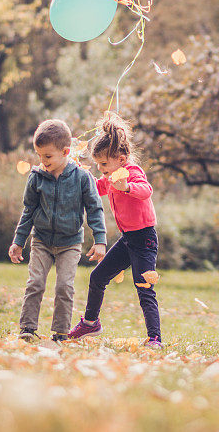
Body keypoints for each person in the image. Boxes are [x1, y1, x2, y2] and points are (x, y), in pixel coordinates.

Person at [68, 113, 162, 348]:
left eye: (104, 164)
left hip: (144, 240)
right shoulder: (109, 176)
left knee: (144, 286)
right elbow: (95, 187)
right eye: (98, 164)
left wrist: (127, 187)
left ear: (121, 159)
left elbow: (146, 190)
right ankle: (91, 323)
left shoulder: (131, 172)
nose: (101, 169)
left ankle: (154, 338)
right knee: (97, 277)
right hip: (127, 240)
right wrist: (79, 172)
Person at [8, 119, 107, 342]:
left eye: (48, 156)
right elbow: (28, 211)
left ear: (65, 152)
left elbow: (94, 209)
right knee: (35, 283)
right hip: (41, 240)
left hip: (70, 243)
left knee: (64, 287)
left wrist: (99, 239)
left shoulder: (82, 178)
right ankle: (27, 328)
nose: (42, 161)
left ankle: (61, 331)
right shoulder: (36, 177)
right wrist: (18, 241)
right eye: (39, 155)